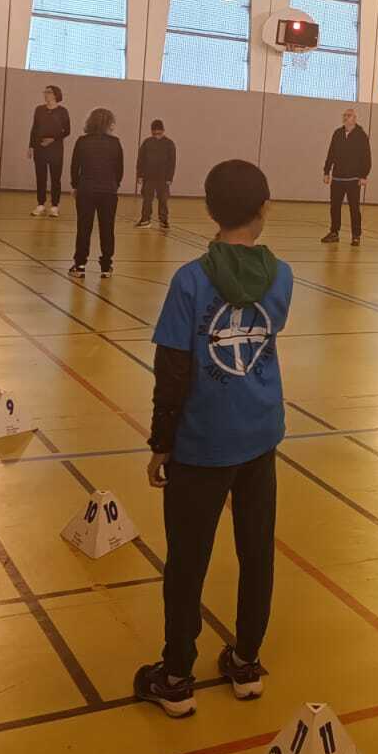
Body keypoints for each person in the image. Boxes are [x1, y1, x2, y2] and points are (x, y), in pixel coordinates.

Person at [135, 159, 292, 717]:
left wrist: (162, 442)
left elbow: (172, 367)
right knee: (257, 553)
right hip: (260, 437)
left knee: (187, 561)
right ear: (265, 207)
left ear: (207, 210)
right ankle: (246, 661)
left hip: (201, 444)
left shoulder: (190, 280)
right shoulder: (282, 276)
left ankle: (177, 675)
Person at [69, 107, 123, 279]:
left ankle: (80, 265)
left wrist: (75, 185)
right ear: (108, 123)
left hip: (86, 190)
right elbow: (119, 169)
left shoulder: (82, 141)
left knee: (84, 228)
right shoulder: (115, 143)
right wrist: (114, 185)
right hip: (109, 191)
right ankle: (106, 266)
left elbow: (75, 166)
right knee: (107, 228)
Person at [321, 108, 371, 245]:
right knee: (334, 207)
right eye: (344, 115)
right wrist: (326, 172)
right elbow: (331, 153)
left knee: (354, 208)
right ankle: (334, 233)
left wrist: (364, 175)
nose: (346, 117)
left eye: (349, 115)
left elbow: (366, 156)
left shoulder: (361, 136)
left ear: (354, 119)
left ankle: (356, 236)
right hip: (337, 178)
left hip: (353, 179)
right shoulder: (337, 133)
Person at [28, 84, 70, 217]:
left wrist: (53, 139)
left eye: (49, 92)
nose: (45, 94)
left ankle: (54, 206)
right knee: (40, 177)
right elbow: (34, 128)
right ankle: (40, 204)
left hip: (55, 149)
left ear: (55, 95)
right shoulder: (39, 109)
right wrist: (31, 146)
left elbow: (67, 131)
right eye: (45, 92)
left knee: (55, 178)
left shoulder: (63, 111)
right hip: (40, 148)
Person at [135, 119, 176, 230]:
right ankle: (145, 220)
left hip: (163, 178)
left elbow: (172, 162)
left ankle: (163, 221)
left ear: (163, 130)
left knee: (163, 199)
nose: (157, 134)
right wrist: (140, 175)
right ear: (152, 131)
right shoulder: (147, 142)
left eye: (159, 132)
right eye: (155, 132)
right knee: (147, 199)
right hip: (149, 177)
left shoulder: (169, 144)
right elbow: (141, 160)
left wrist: (169, 177)